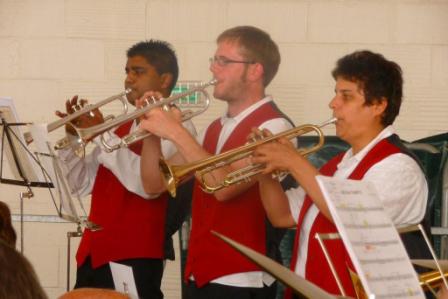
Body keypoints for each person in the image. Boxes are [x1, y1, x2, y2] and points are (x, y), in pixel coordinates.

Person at [251, 50, 428, 298]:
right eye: (335, 94)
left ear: (379, 105)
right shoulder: (335, 166)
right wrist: (263, 167)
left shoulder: (398, 167)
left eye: (346, 96)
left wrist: (293, 161)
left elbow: (352, 217)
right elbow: (281, 215)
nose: (333, 104)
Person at [138, 26, 296, 299]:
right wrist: (152, 129)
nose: (213, 69)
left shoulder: (275, 126)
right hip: (200, 274)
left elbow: (222, 187)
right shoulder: (213, 128)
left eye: (223, 61)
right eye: (214, 60)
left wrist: (175, 131)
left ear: (255, 70)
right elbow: (153, 184)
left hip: (243, 279)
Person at [56, 40, 196, 299]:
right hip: (93, 250)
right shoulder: (121, 126)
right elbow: (81, 185)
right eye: (127, 71)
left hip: (135, 253)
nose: (129, 79)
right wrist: (72, 141)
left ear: (165, 80)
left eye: (138, 71)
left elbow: (146, 186)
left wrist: (101, 135)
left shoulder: (179, 128)